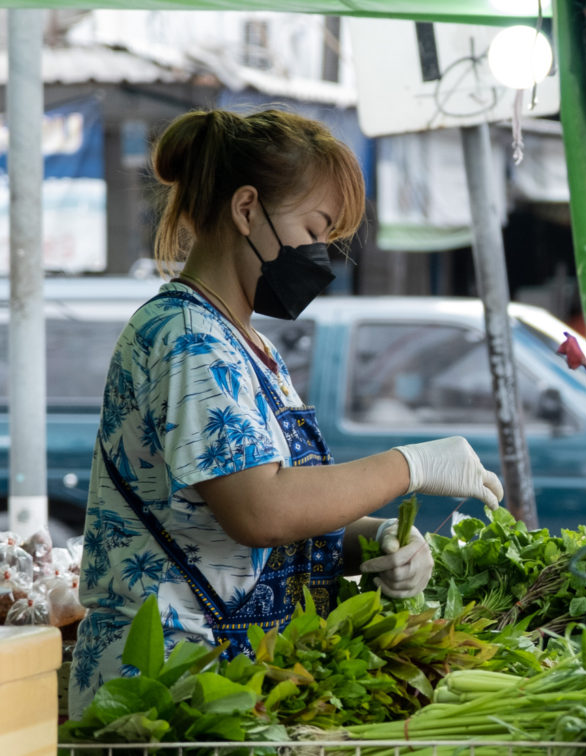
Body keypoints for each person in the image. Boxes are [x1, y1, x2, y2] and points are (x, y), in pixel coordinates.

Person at [68, 109, 503, 718]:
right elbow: (260, 511)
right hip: (168, 687)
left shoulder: (252, 348)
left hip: (239, 678)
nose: (322, 254)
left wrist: (374, 541)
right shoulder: (186, 336)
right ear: (247, 210)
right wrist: (408, 466)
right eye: (316, 228)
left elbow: (272, 520)